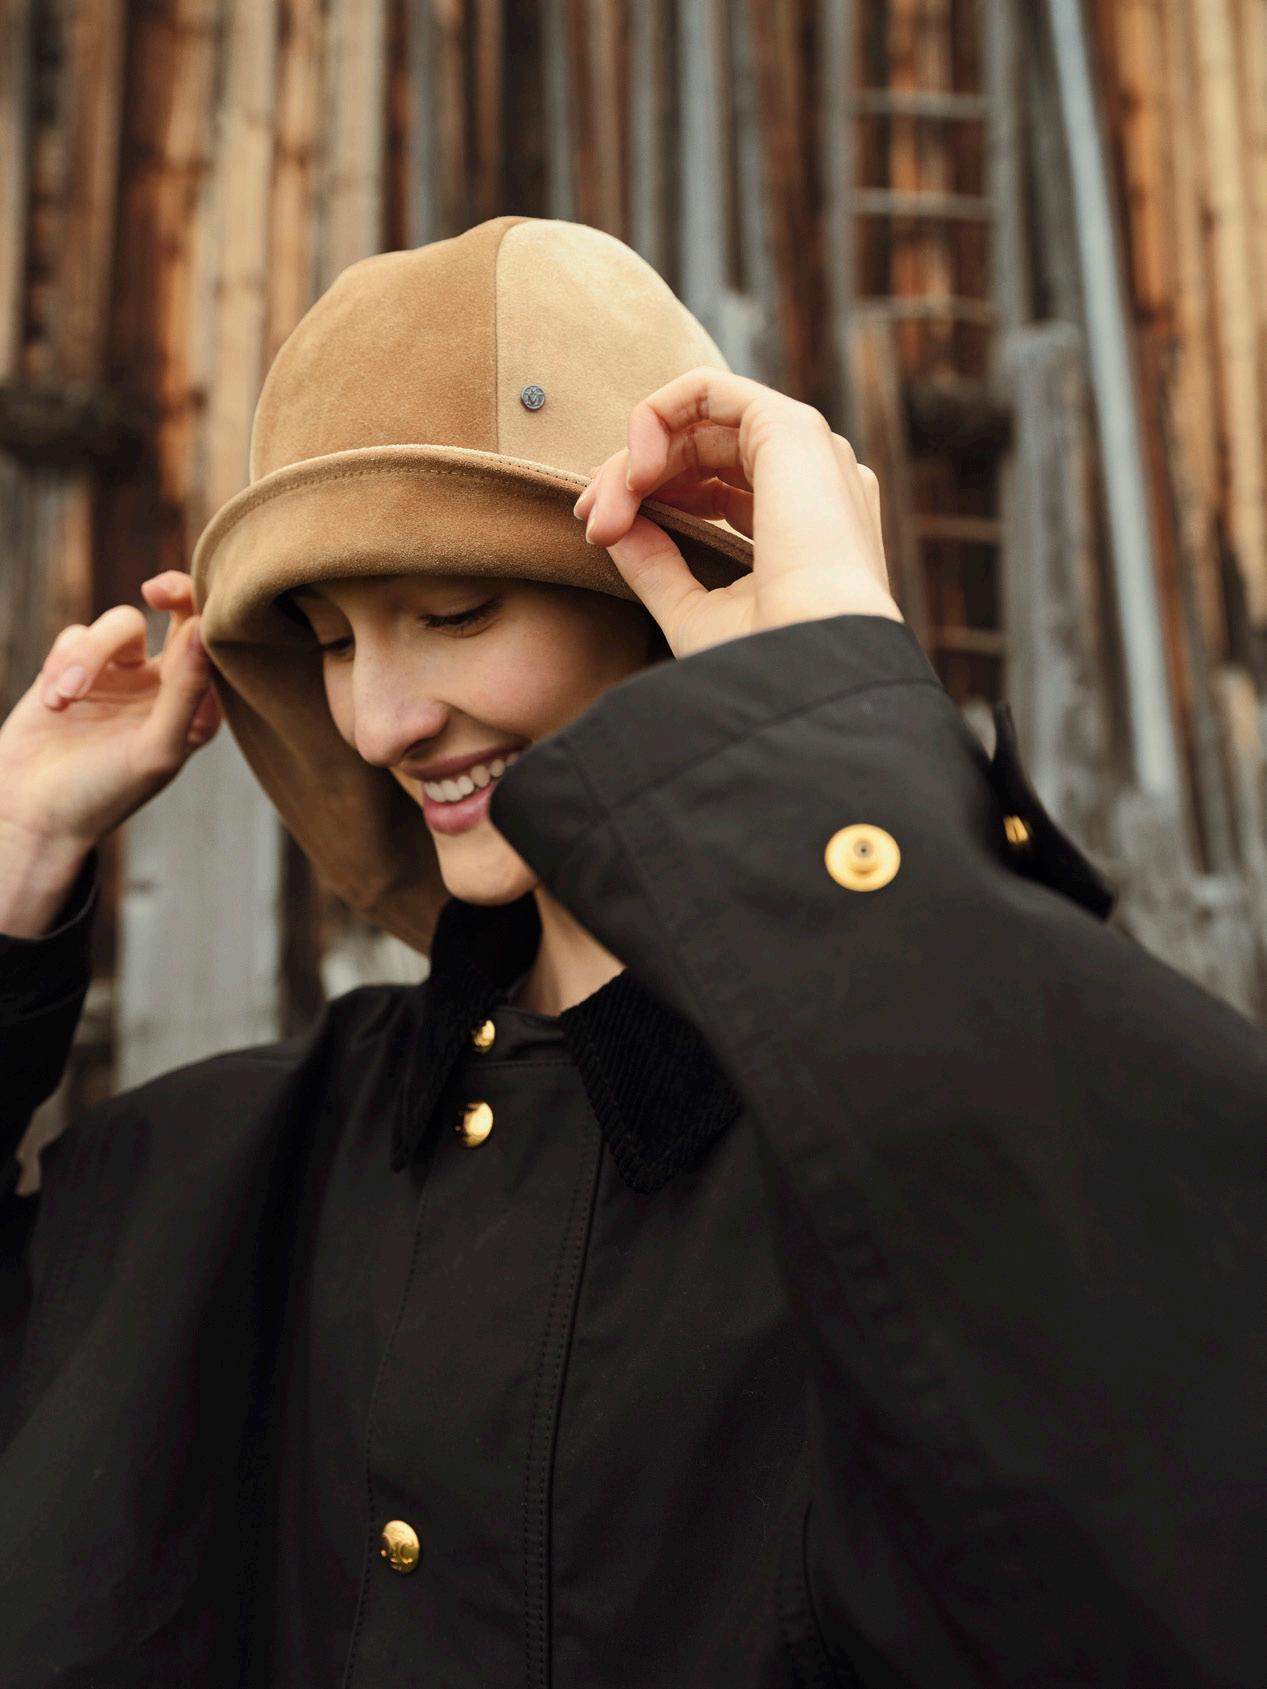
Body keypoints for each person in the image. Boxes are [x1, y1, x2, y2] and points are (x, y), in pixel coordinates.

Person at [1, 216, 1265, 1689]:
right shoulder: (235, 1162)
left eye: (454, 610)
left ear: (660, 598)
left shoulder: (910, 1138)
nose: (380, 719)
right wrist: (18, 852)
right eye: (334, 640)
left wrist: (831, 708)